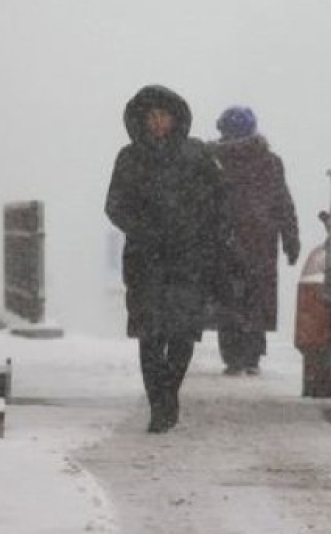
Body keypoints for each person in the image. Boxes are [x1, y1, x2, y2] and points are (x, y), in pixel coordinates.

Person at [105, 85, 226, 433]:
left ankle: (169, 393)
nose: (158, 123)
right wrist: (145, 229)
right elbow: (114, 205)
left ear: (175, 119)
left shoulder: (196, 156)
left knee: (183, 335)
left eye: (164, 116)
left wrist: (201, 233)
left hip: (189, 261)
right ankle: (158, 403)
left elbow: (219, 201)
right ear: (141, 121)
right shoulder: (129, 159)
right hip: (146, 262)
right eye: (151, 117)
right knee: (150, 336)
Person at [210, 105, 300, 376]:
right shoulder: (268, 160)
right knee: (255, 299)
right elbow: (283, 203)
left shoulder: (215, 160)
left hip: (223, 241)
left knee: (229, 299)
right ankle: (251, 356)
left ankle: (234, 357)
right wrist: (290, 239)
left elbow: (201, 202)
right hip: (259, 242)